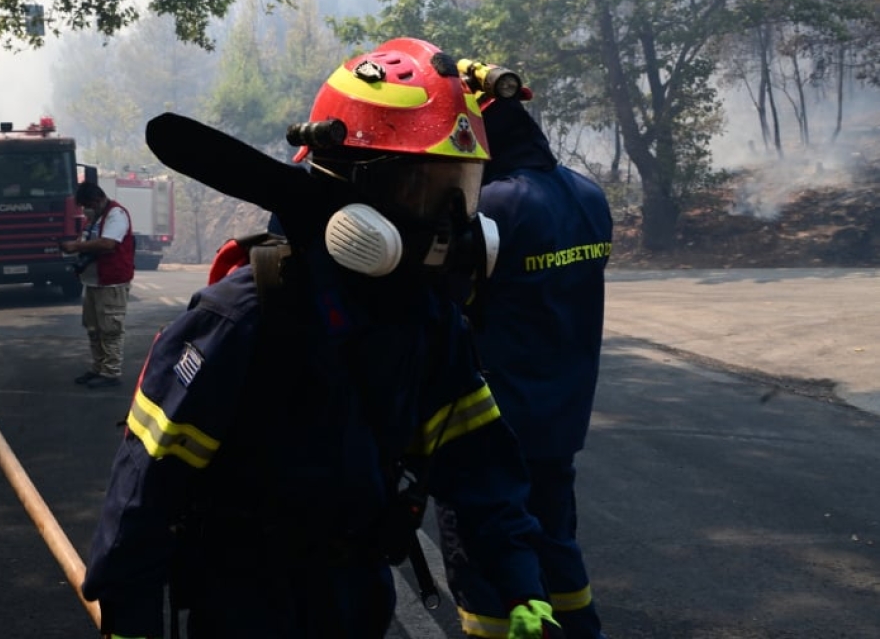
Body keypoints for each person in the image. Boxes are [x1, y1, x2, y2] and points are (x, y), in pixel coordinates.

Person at [81, 38, 564, 639]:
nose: (447, 226)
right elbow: (146, 484)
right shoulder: (244, 318)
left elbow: (479, 464)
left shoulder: (428, 319)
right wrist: (128, 618)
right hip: (245, 600)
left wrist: (521, 585)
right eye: (422, 190)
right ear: (346, 188)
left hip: (356, 595)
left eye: (459, 192)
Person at [467, 66, 614, 639]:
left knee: (489, 558)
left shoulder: (495, 207)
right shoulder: (588, 194)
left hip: (497, 420)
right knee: (555, 540)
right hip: (562, 415)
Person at [59, 182, 134, 388]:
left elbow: (108, 244)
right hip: (93, 281)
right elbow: (87, 242)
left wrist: (76, 246)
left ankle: (111, 372)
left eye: (88, 205)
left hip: (111, 282)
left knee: (110, 329)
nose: (85, 210)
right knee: (93, 328)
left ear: (99, 199)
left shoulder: (116, 215)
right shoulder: (94, 219)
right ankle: (98, 367)